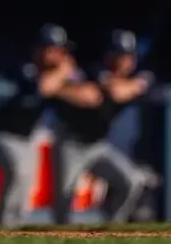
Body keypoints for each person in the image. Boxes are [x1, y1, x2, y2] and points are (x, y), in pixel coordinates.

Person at [0, 24, 94, 227]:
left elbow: (88, 96)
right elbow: (42, 87)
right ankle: (2, 224)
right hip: (3, 133)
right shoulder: (25, 66)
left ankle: (5, 223)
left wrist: (64, 82)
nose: (59, 55)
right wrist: (63, 73)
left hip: (27, 136)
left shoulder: (56, 75)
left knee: (25, 184)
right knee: (17, 173)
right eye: (54, 49)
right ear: (41, 49)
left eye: (61, 50)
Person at [50, 29, 152, 224]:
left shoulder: (140, 73)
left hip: (98, 146)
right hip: (72, 143)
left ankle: (112, 227)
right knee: (64, 199)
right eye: (119, 55)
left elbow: (132, 86)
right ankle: (58, 238)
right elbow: (112, 92)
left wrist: (131, 86)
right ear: (109, 55)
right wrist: (132, 86)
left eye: (128, 56)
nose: (124, 61)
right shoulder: (95, 70)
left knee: (132, 181)